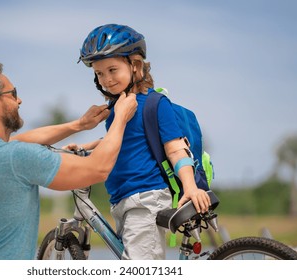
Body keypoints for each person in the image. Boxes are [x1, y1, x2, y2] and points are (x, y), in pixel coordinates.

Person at [0, 60, 137, 260]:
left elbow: (19, 141)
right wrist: (120, 117)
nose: (19, 100)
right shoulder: (15, 157)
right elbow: (97, 169)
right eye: (13, 93)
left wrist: (79, 125)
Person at [65, 24, 211, 259]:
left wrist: (191, 187)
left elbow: (175, 149)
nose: (106, 79)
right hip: (123, 200)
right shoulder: (116, 109)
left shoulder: (155, 104)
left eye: (112, 70)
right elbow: (123, 141)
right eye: (99, 73)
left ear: (136, 65)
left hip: (145, 200)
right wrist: (86, 147)